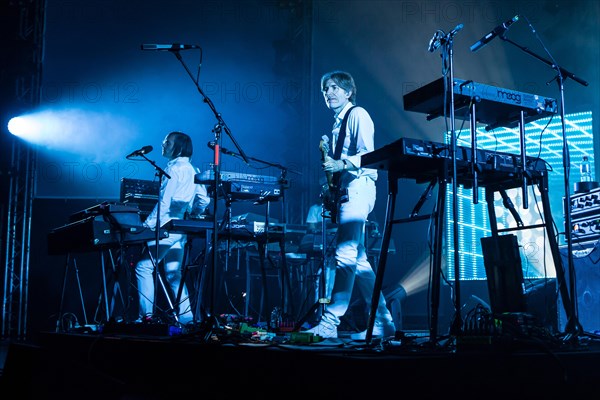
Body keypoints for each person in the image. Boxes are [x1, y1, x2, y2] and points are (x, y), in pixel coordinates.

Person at [304, 70, 395, 340]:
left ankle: (331, 322)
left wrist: (340, 163)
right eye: (325, 89)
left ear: (348, 92)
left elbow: (369, 153)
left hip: (359, 189)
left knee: (344, 255)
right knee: (360, 262)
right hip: (348, 190)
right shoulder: (337, 123)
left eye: (334, 88)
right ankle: (383, 324)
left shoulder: (357, 114)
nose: (328, 93)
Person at [135, 131, 211, 326]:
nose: (163, 145)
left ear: (178, 147)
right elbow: (204, 199)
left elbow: (164, 202)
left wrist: (146, 226)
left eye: (167, 142)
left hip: (166, 226)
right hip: (181, 228)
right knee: (172, 273)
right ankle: (186, 318)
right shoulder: (193, 169)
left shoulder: (174, 168)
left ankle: (147, 317)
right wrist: (193, 212)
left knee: (143, 267)